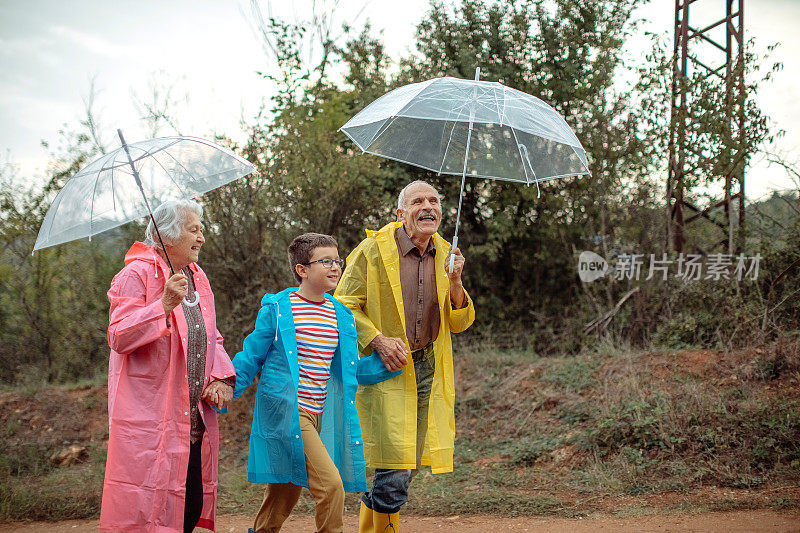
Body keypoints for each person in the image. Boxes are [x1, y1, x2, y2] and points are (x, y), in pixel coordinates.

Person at [335, 180, 476, 532]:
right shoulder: (371, 250)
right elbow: (342, 305)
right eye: (417, 202)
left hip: (428, 365)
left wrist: (456, 282)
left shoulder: (448, 253)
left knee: (408, 460)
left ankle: (375, 524)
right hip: (388, 367)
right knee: (394, 463)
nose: (428, 207)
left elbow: (459, 322)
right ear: (400, 213)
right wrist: (377, 339)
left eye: (434, 200)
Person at [100, 199, 235, 532]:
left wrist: (221, 378)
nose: (202, 237)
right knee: (147, 512)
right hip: (151, 423)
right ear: (168, 234)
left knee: (188, 506)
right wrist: (162, 305)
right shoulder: (135, 274)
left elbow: (210, 335)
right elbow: (119, 336)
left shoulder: (197, 277)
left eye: (201, 230)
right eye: (194, 230)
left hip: (191, 421)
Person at [232, 233, 367, 533]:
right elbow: (252, 353)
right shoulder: (279, 307)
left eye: (337, 260)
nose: (335, 267)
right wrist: (228, 384)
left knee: (284, 493)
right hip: (289, 414)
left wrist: (390, 363)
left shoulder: (340, 314)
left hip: (320, 415)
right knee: (331, 487)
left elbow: (350, 368)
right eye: (326, 261)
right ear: (302, 269)